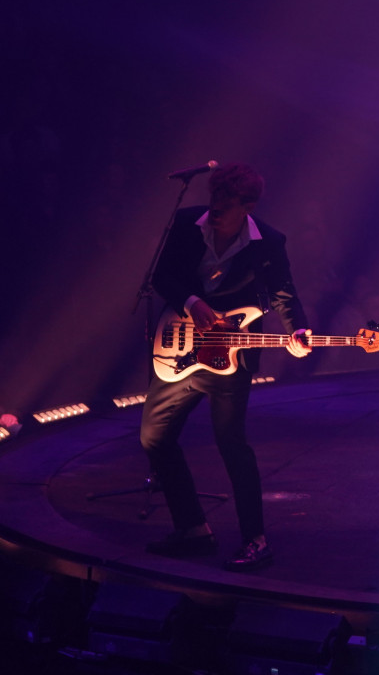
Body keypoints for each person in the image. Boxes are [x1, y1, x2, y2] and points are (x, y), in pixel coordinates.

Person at [142, 163, 311, 572]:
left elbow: (283, 291)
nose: (215, 206)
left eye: (226, 200)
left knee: (232, 444)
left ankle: (256, 540)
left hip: (232, 355)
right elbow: (160, 276)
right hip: (180, 347)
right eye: (214, 195)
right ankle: (192, 528)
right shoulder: (186, 223)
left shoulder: (268, 241)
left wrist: (298, 329)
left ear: (247, 206)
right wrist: (192, 303)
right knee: (154, 438)